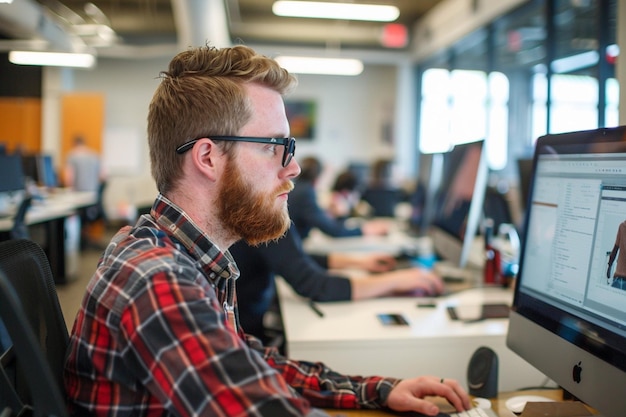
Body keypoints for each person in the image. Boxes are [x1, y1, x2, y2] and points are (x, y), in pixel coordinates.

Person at [64, 44, 471, 417]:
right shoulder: (157, 277)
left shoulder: (188, 255)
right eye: (273, 146)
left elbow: (248, 362)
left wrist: (376, 390)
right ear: (208, 157)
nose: (292, 167)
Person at [232, 223, 445, 343]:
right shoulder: (258, 208)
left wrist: (358, 261)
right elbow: (314, 285)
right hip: (247, 337)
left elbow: (290, 257)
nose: (293, 168)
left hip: (248, 323)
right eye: (273, 149)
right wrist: (395, 280)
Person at [289, 156, 390, 240]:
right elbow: (333, 231)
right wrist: (366, 230)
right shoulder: (306, 193)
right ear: (319, 176)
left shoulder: (298, 188)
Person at [64, 135, 107, 248]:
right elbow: (103, 176)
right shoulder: (95, 155)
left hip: (79, 198)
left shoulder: (72, 156)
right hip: (93, 198)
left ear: (74, 143)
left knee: (75, 215)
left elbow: (69, 180)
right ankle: (85, 237)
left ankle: (79, 241)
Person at [607, 220, 626, 290]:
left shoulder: (622, 226)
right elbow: (615, 249)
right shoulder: (622, 227)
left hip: (618, 278)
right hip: (619, 278)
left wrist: (609, 267)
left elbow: (615, 248)